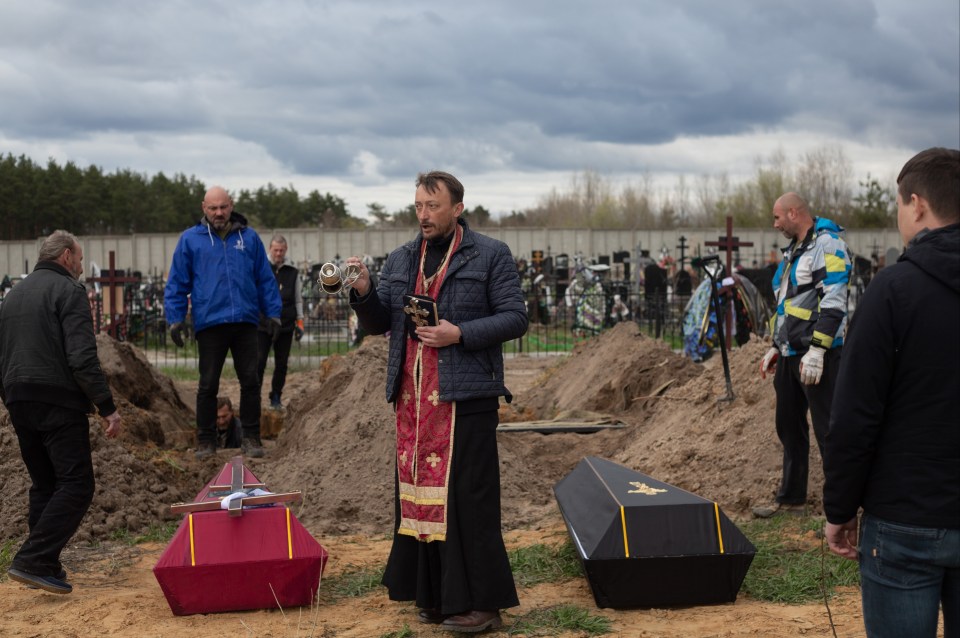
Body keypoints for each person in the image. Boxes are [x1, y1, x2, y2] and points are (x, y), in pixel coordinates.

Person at [347, 171, 527, 633]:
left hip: (465, 397)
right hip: (413, 403)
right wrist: (364, 291)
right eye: (419, 207)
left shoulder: (490, 254)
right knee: (422, 503)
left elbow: (515, 318)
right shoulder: (403, 257)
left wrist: (460, 333)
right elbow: (376, 323)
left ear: (457, 208)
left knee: (469, 503)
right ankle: (437, 596)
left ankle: (483, 604)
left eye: (433, 206)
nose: (423, 216)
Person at [823, 148, 959, 638]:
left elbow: (856, 416)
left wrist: (840, 509)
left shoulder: (892, 291)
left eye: (900, 206)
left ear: (917, 205)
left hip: (904, 518)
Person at [0, 230, 122, 595]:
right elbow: (82, 358)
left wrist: (10, 397)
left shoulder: (12, 295)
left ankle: (45, 565)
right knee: (77, 484)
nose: (82, 267)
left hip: (19, 399)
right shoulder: (69, 291)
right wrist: (107, 407)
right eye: (81, 260)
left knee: (46, 485)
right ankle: (33, 559)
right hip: (58, 401)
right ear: (67, 256)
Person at [164, 186, 282, 460]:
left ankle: (251, 437)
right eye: (213, 208)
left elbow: (264, 279)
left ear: (231, 205)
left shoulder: (249, 238)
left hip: (244, 321)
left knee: (251, 381)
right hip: (210, 322)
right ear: (203, 208)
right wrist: (175, 319)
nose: (219, 213)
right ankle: (206, 440)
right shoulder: (190, 240)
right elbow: (178, 282)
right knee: (207, 384)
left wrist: (273, 312)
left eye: (223, 207)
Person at [753, 192, 850, 518]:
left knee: (829, 431)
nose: (775, 223)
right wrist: (776, 346)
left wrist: (818, 350)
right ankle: (791, 499)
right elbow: (786, 306)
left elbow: (834, 302)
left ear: (794, 213)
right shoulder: (794, 251)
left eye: (778, 217)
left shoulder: (829, 244)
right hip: (791, 353)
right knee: (789, 427)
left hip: (819, 356)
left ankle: (842, 508)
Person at [256, 234, 304, 409]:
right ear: (270, 249)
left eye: (281, 250)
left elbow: (298, 298)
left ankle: (276, 395)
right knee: (259, 361)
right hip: (263, 323)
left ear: (286, 250)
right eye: (275, 250)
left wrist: (300, 321)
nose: (278, 253)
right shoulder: (261, 267)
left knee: (281, 363)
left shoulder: (292, 271)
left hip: (285, 323)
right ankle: (255, 396)